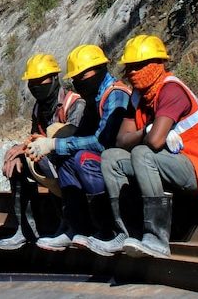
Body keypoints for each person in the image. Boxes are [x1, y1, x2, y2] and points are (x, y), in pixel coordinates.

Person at [95, 35, 198, 258]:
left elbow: (155, 141)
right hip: (170, 162)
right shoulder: (139, 96)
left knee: (142, 153)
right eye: (130, 67)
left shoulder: (171, 90)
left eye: (139, 66)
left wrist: (148, 134)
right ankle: (127, 233)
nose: (132, 72)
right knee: (111, 157)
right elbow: (121, 140)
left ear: (157, 65)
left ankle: (157, 238)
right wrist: (147, 130)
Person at [39, 44, 132, 253]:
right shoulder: (94, 96)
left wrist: (54, 143)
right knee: (65, 157)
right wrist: (53, 146)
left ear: (99, 69)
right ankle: (77, 226)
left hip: (119, 162)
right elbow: (81, 134)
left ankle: (108, 229)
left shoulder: (115, 94)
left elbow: (102, 141)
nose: (79, 81)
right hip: (106, 160)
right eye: (76, 77)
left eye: (83, 75)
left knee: (82, 159)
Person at [0, 54, 85, 250]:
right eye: (32, 82)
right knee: (18, 165)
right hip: (47, 159)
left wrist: (34, 147)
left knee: (53, 163)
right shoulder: (39, 107)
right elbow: (34, 136)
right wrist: (19, 152)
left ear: (54, 78)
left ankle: (68, 225)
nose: (36, 85)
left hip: (69, 162)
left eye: (41, 80)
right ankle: (25, 229)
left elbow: (73, 139)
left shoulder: (74, 103)